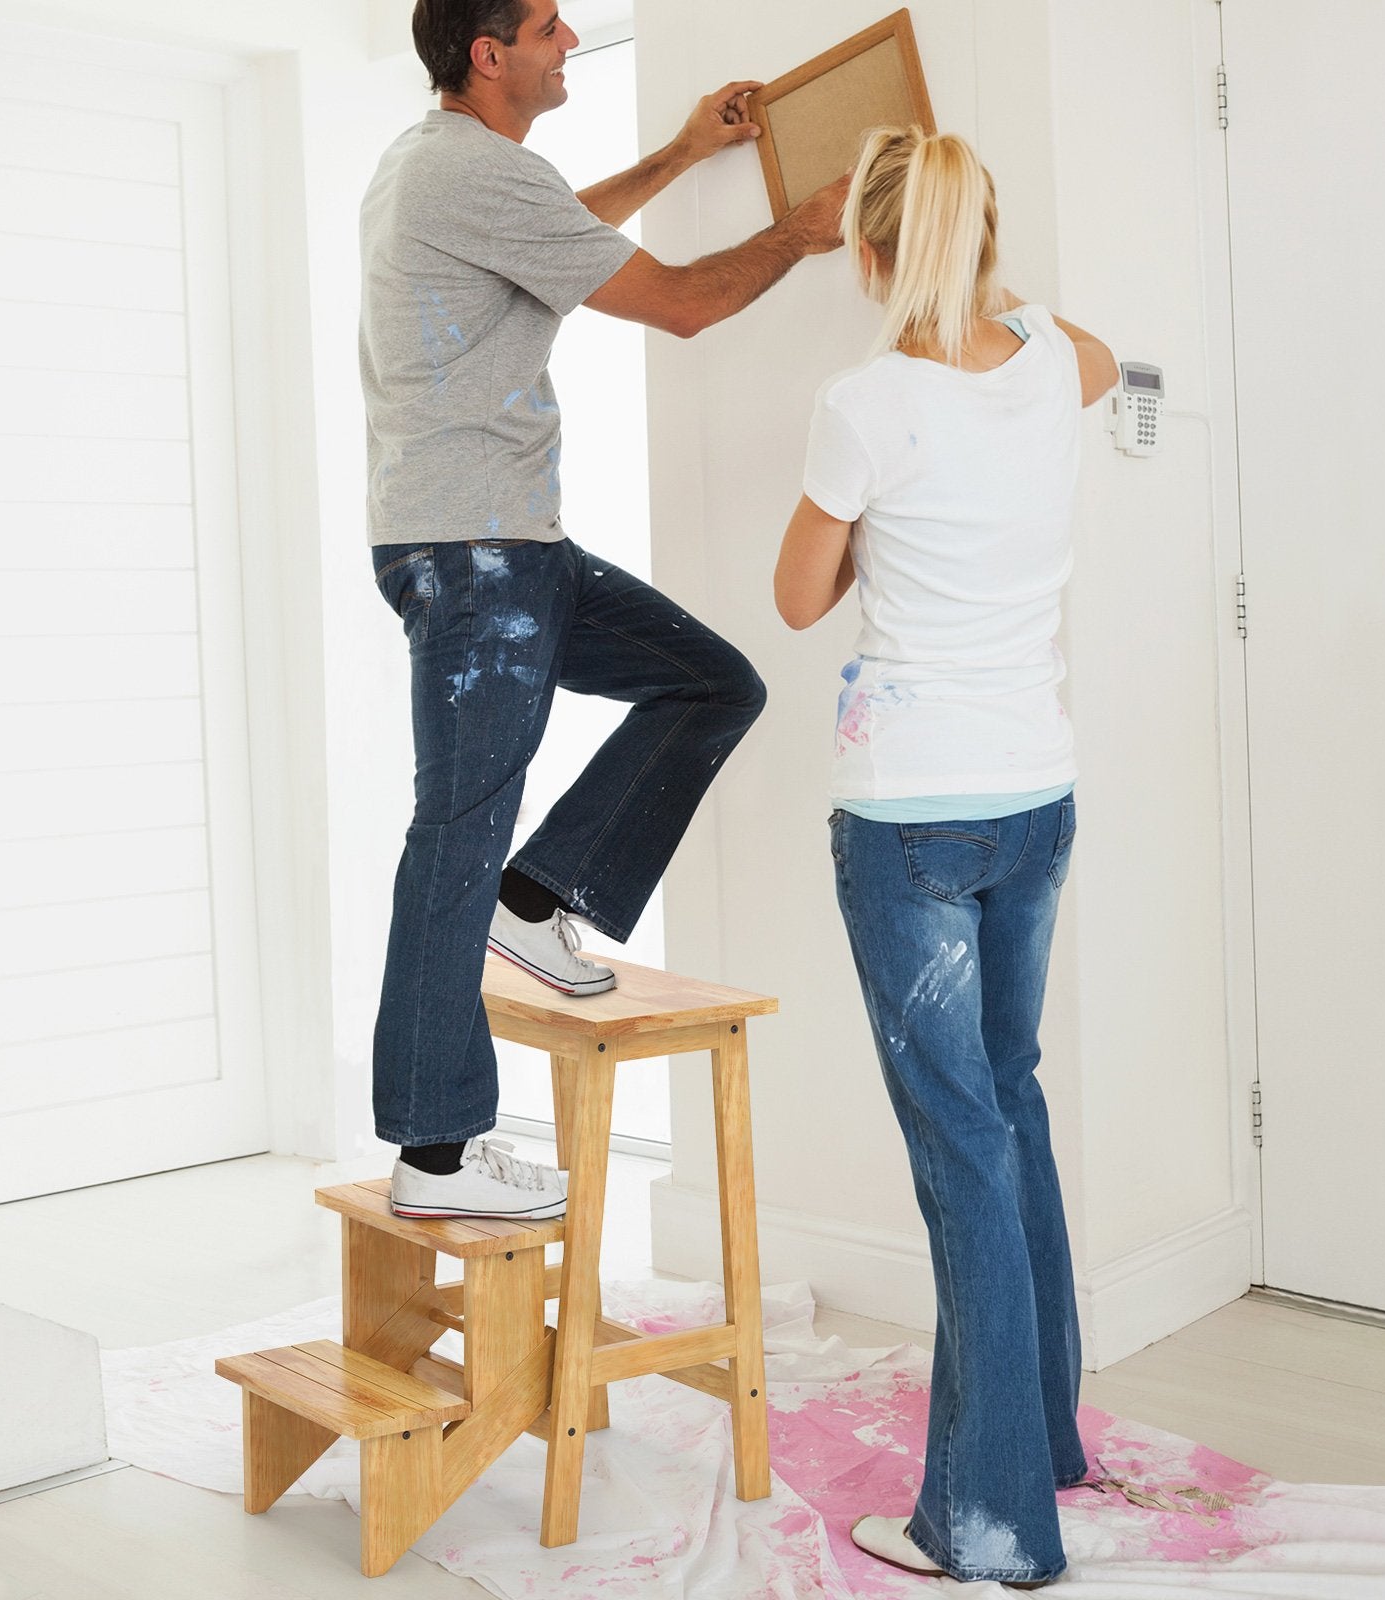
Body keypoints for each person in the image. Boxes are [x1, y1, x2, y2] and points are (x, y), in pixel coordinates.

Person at [363, 0, 847, 1222]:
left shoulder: (459, 170)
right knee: (457, 828)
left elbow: (567, 234)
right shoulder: (463, 168)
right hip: (476, 555)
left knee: (712, 683)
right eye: (548, 25)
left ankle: (537, 904)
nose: (570, 38)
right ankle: (434, 1155)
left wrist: (685, 153)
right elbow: (680, 303)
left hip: (509, 543)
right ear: (489, 54)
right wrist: (797, 233)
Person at [773, 126, 1118, 1587]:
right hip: (1037, 794)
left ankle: (980, 1526)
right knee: (1013, 1100)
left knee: (963, 1149)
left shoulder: (863, 404)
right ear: (982, 237)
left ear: (862, 251)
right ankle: (1039, 1439)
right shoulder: (1054, 357)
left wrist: (877, 523)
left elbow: (797, 597)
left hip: (913, 816)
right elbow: (1077, 353)